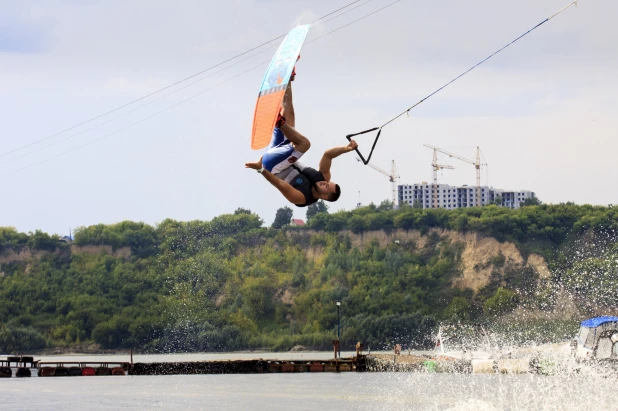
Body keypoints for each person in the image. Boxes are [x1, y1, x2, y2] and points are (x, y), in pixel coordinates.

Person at [245, 70, 357, 208]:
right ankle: (287, 79)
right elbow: (328, 155)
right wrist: (347, 148)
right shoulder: (323, 178)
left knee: (304, 144)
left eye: (326, 187)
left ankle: (279, 122)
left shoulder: (300, 198)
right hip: (280, 152)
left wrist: (260, 170)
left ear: (324, 196)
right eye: (328, 183)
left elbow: (278, 183)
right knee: (289, 112)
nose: (325, 183)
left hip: (272, 166)